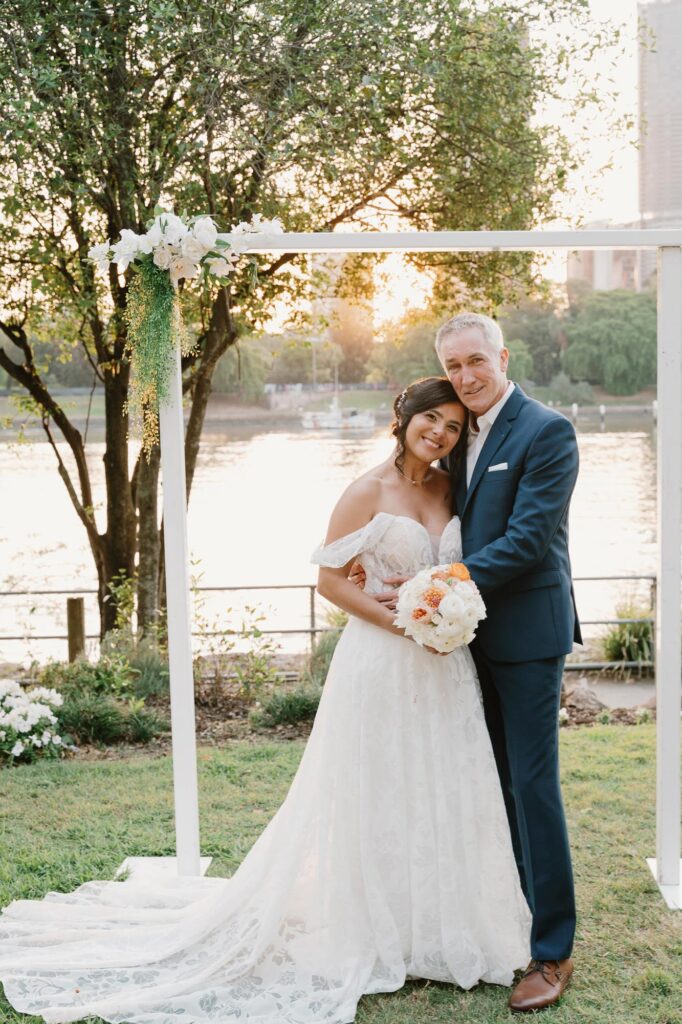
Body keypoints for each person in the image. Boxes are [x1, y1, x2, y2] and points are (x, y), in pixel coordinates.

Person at [0, 376, 531, 1024]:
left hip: (443, 670)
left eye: (453, 426)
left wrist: (447, 614)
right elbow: (331, 583)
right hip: (382, 662)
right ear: (405, 416)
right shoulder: (366, 490)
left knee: (440, 788)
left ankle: (438, 929)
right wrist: (403, 622)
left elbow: (458, 567)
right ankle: (376, 927)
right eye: (432, 420)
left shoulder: (451, 489)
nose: (441, 434)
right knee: (379, 791)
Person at [371, 315, 581, 1013]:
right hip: (463, 640)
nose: (465, 376)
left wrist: (437, 584)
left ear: (503, 355)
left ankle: (551, 951)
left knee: (532, 786)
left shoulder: (546, 430)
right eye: (453, 365)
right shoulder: (460, 437)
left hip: (525, 636)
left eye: (474, 362)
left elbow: (526, 540)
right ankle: (506, 919)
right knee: (488, 788)